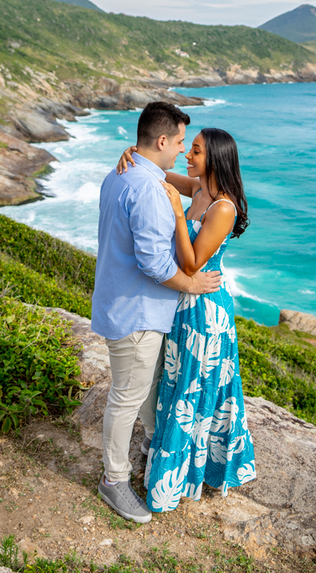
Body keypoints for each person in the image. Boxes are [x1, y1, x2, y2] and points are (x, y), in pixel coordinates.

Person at [91, 102, 222, 524]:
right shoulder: (147, 187)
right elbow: (153, 263)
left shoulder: (121, 173)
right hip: (137, 311)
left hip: (124, 303)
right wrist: (192, 284)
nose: (184, 149)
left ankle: (149, 444)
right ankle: (114, 480)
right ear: (162, 141)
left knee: (145, 388)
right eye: (182, 141)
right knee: (127, 396)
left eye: (193, 146)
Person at [115, 127, 256, 513]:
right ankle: (175, 469)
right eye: (187, 148)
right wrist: (134, 152)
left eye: (195, 151)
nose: (187, 155)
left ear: (216, 159)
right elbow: (156, 170)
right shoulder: (199, 189)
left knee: (190, 394)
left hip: (205, 313)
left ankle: (177, 482)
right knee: (176, 390)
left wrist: (178, 212)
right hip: (184, 304)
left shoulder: (222, 207)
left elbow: (193, 262)